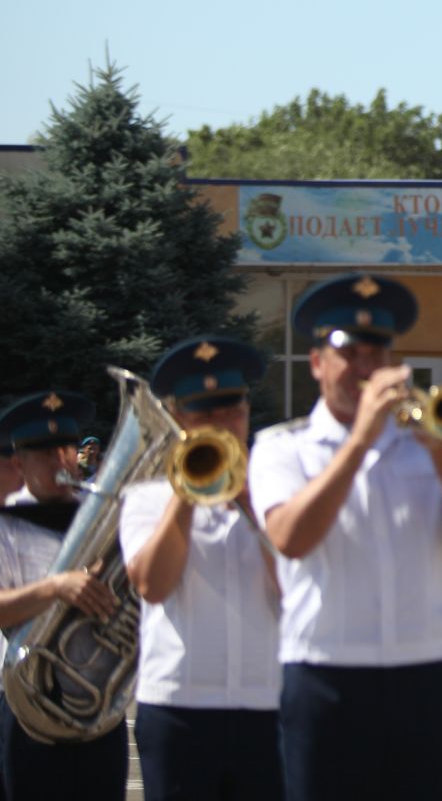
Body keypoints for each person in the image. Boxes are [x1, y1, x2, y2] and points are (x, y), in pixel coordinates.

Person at [251, 273, 442, 801]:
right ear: (318, 363)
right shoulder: (282, 448)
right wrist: (360, 440)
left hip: (425, 679)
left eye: (378, 352)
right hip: (326, 680)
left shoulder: (426, 447)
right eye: (351, 353)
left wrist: (440, 451)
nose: (366, 367)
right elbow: (290, 538)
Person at [120, 336, 286, 801]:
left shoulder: (279, 496)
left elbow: (300, 588)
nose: (221, 423)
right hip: (179, 709)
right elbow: (152, 585)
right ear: (178, 419)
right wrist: (185, 494)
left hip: (267, 705)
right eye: (204, 412)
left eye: (231, 409)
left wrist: (253, 506)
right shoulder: (146, 497)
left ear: (247, 410)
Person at [0, 390, 125, 798]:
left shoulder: (106, 515)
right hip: (32, 707)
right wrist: (56, 588)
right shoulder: (6, 522)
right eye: (45, 453)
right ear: (19, 462)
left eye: (67, 448)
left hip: (102, 708)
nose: (61, 460)